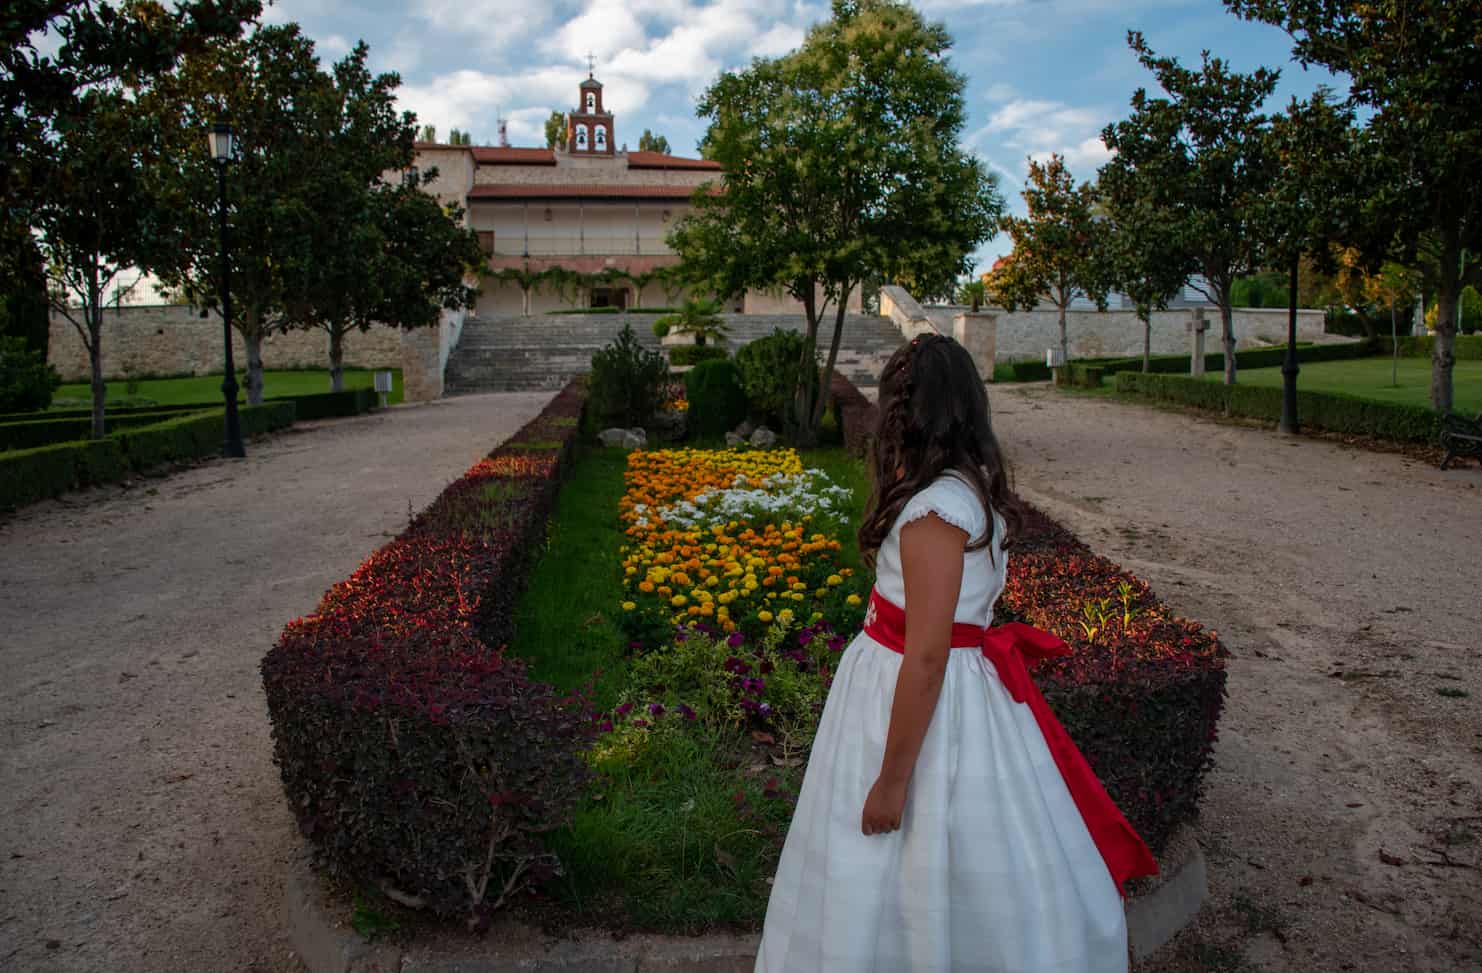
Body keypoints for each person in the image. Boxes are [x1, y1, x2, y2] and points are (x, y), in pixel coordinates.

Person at [755, 334, 1157, 973]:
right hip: (937, 690)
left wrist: (891, 782)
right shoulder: (962, 490)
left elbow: (928, 655)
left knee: (912, 840)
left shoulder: (936, 512)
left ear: (904, 416)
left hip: (918, 702)